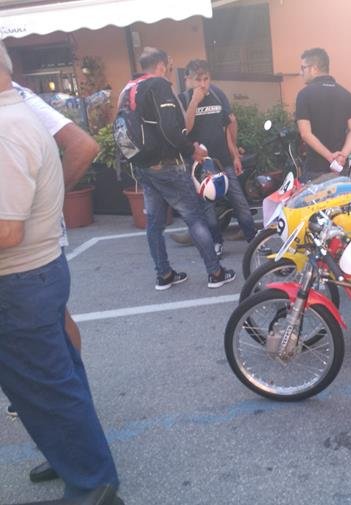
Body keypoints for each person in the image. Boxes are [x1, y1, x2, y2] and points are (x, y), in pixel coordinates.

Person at [0, 40, 121, 501]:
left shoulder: (6, 128)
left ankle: (93, 485)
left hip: (18, 279)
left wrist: (39, 205)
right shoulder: (23, 112)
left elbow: (7, 231)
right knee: (56, 383)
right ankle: (77, 461)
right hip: (37, 272)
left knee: (46, 388)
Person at [129, 47, 235, 289]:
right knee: (195, 218)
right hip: (168, 166)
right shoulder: (159, 85)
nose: (170, 67)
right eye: (168, 63)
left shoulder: (130, 88)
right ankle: (215, 272)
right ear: (161, 65)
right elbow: (171, 129)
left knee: (154, 223)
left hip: (144, 167)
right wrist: (191, 150)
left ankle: (164, 274)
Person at [179, 59, 257, 250]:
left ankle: (254, 240)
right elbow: (185, 128)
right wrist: (194, 101)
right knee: (207, 206)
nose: (203, 84)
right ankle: (216, 242)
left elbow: (227, 127)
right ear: (188, 79)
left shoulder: (217, 94)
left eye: (206, 79)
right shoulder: (183, 99)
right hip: (200, 163)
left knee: (239, 200)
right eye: (198, 80)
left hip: (223, 159)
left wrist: (235, 155)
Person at [295, 47, 351, 181]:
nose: (301, 72)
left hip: (315, 170)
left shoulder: (304, 95)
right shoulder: (346, 94)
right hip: (340, 168)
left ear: (314, 68)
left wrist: (330, 157)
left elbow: (305, 134)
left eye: (303, 68)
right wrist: (342, 156)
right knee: (341, 194)